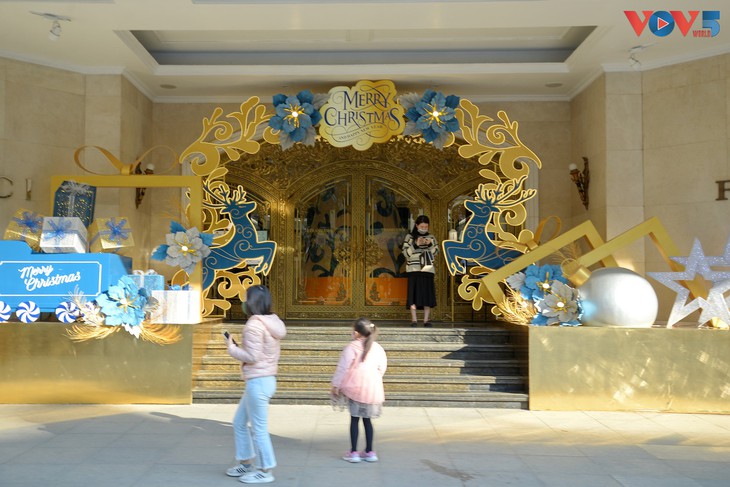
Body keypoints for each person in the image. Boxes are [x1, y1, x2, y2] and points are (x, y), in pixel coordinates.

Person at [225, 285, 287, 484]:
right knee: (239, 422)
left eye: (245, 298)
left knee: (259, 429)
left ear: (252, 302)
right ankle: (246, 463)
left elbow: (252, 356)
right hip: (264, 379)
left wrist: (232, 348)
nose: (243, 302)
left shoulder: (254, 325)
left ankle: (265, 470)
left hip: (258, 381)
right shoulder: (272, 321)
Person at [331, 317, 388, 464]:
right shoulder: (377, 347)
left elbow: (343, 368)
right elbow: (382, 368)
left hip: (354, 388)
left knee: (355, 419)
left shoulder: (351, 347)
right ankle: (369, 452)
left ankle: (354, 452)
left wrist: (336, 385)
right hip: (372, 388)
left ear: (356, 333)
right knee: (367, 421)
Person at [402, 215, 438, 327]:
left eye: (426, 227)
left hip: (427, 270)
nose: (424, 228)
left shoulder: (431, 237)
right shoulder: (409, 237)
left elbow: (436, 252)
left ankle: (426, 320)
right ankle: (414, 320)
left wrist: (429, 244)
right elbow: (405, 253)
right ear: (417, 225)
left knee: (427, 295)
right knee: (413, 296)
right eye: (422, 226)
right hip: (413, 269)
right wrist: (415, 244)